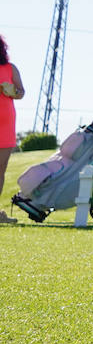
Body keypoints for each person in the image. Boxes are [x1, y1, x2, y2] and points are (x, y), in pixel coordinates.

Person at [0, 34, 26, 224]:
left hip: (6, 123)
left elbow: (21, 92)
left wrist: (13, 92)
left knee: (0, 169)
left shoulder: (10, 68)